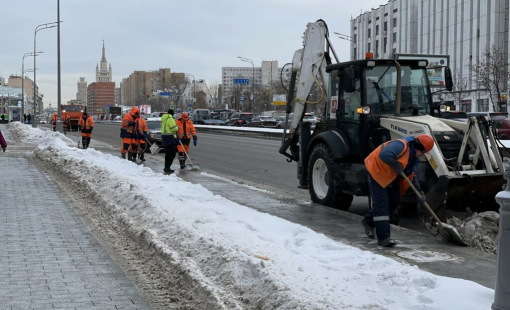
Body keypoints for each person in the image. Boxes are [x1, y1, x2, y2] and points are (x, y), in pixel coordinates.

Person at [362, 134, 434, 247]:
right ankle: (384, 238)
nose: (422, 155)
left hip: (388, 176)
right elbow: (384, 154)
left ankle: (368, 221)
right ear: (419, 148)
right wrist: (395, 164)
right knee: (382, 204)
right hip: (376, 171)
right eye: (423, 152)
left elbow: (411, 175)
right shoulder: (401, 145)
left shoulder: (411, 157)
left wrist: (419, 192)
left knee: (394, 202)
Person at [160, 109, 179, 174]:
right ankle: (167, 167)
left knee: (167, 154)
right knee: (172, 154)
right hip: (170, 138)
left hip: (164, 138)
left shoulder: (164, 119)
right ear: (172, 114)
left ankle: (166, 167)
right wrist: (177, 127)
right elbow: (173, 128)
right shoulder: (171, 119)